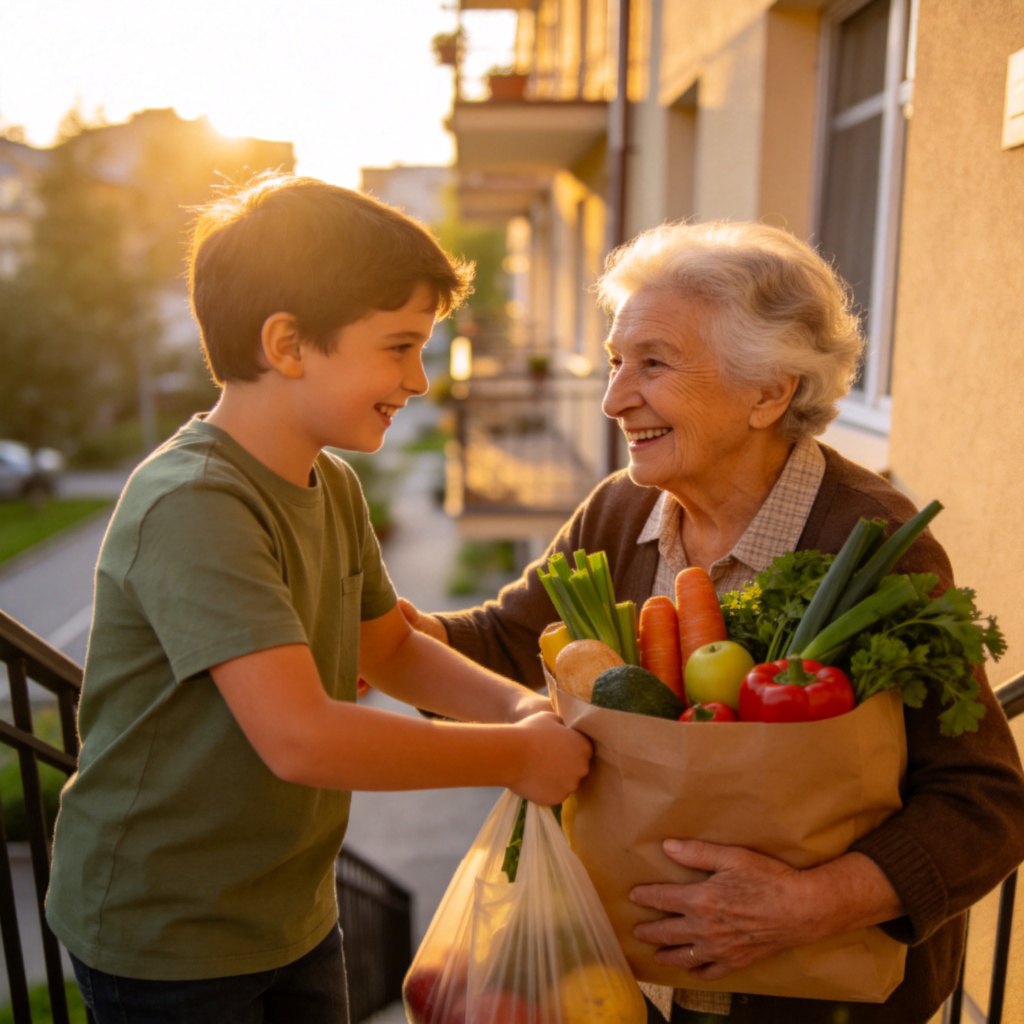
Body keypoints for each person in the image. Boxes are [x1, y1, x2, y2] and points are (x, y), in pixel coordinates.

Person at [399, 220, 1024, 1023]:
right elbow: (505, 643)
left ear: (770, 392)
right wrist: (389, 632)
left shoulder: (868, 546)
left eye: (653, 364)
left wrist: (814, 902)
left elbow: (986, 802)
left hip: (815, 1000)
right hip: (627, 983)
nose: (614, 398)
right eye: (619, 360)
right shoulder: (620, 511)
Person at [44, 173, 592, 1024]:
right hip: (168, 932)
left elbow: (391, 650)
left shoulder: (328, 483)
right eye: (399, 346)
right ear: (289, 343)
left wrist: (524, 711)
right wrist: (516, 759)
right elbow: (301, 737)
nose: (419, 377)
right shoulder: (194, 502)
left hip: (289, 910)